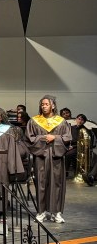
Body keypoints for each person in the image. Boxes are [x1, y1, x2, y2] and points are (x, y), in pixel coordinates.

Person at [26, 95, 71, 223]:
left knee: (56, 183)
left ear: (53, 106)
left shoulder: (61, 121)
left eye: (46, 104)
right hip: (41, 156)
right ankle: (42, 212)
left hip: (56, 156)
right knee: (41, 183)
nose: (44, 106)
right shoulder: (34, 121)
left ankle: (56, 212)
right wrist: (44, 138)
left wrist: (55, 138)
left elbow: (67, 138)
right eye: (42, 104)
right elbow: (29, 139)